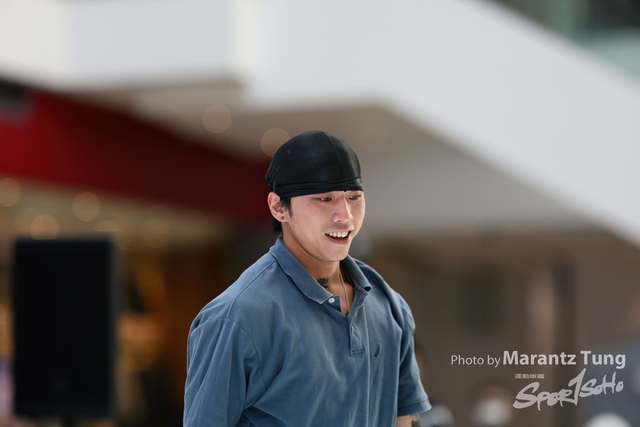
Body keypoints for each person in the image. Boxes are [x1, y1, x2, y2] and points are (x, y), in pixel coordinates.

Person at [183, 130, 431, 426]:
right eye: (324, 198)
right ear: (279, 207)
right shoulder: (237, 318)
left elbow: (404, 418)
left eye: (354, 197)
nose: (345, 215)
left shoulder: (389, 305)